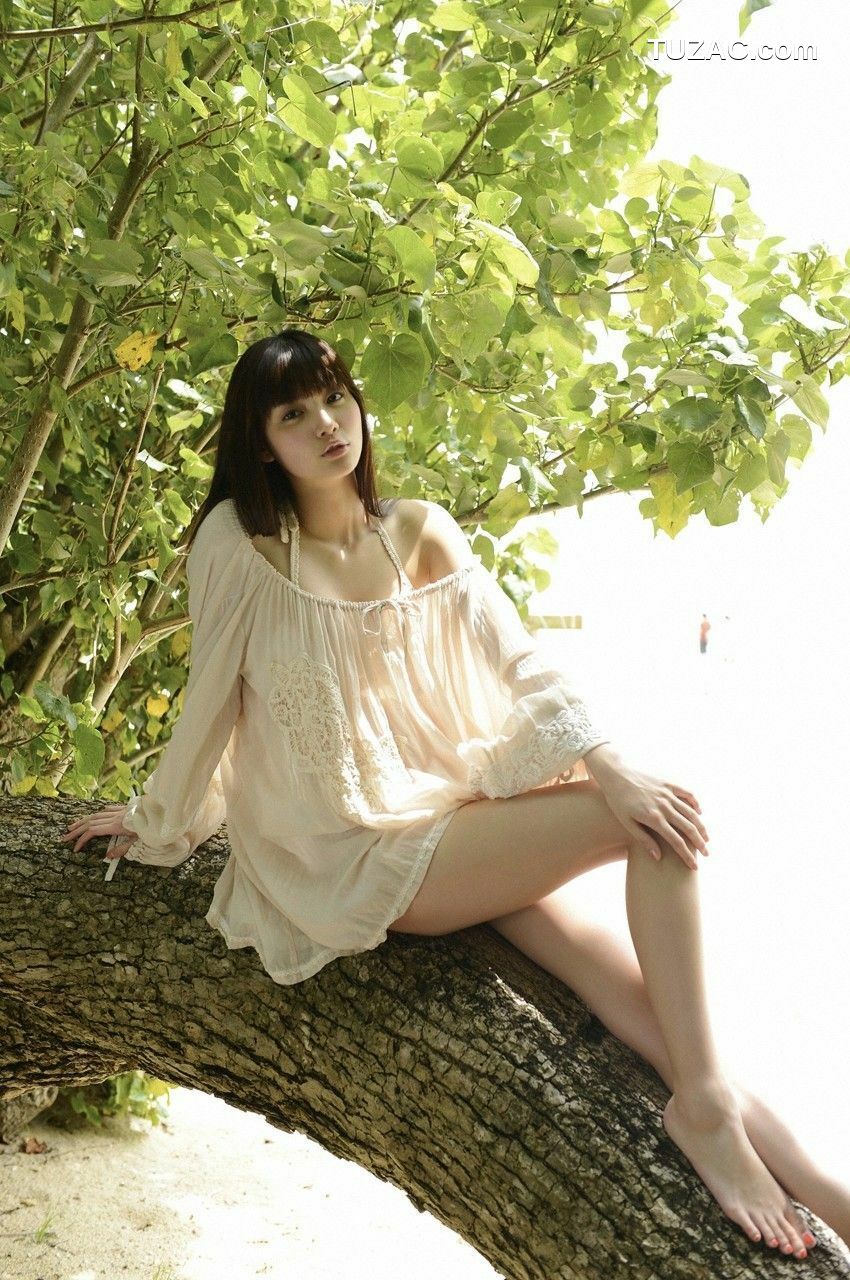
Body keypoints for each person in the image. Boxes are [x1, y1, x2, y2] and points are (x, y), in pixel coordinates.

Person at [61, 329, 848, 1262]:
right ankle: (708, 1114)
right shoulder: (241, 544)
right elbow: (210, 704)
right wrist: (157, 823)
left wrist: (605, 758)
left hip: (452, 818)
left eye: (335, 398)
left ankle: (818, 1190)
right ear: (261, 443)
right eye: (294, 413)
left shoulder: (419, 531)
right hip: (352, 851)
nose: (327, 424)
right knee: (647, 824)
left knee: (671, 1028)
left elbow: (520, 663)